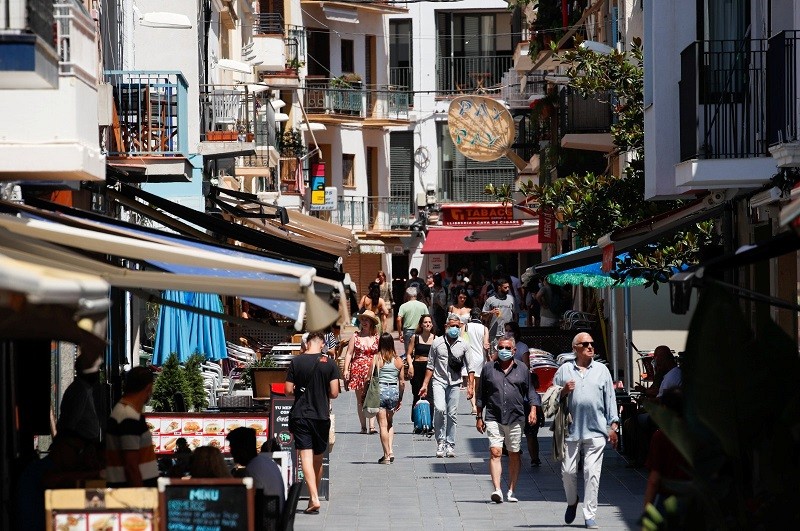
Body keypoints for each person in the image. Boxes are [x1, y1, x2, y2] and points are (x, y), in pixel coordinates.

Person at [554, 333, 619, 529]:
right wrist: (564, 391)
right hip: (571, 430)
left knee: (592, 473)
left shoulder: (602, 370)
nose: (590, 347)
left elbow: (610, 398)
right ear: (575, 348)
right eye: (585, 344)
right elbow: (550, 398)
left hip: (596, 430)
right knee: (568, 471)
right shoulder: (565, 370)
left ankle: (589, 514)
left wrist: (613, 425)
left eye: (592, 343)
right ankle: (572, 501)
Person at [476, 335, 539, 503]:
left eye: (507, 348)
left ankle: (511, 490)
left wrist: (533, 410)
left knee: (514, 453)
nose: (503, 351)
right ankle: (497, 489)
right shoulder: (488, 369)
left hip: (516, 416)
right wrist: (479, 416)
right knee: (495, 451)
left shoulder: (522, 369)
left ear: (514, 350)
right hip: (493, 416)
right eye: (501, 348)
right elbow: (481, 394)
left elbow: (531, 391)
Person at [286, 331, 340, 514]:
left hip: (301, 414)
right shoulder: (330, 363)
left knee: (306, 457)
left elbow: (287, 390)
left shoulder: (296, 362)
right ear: (322, 343)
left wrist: (299, 390)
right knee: (318, 458)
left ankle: (314, 497)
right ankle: (313, 497)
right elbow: (334, 393)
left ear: (306, 343)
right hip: (321, 415)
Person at [420, 313, 474, 458]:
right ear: (446, 326)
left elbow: (471, 367)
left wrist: (470, 386)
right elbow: (430, 365)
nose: (454, 328)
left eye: (457, 326)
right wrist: (425, 384)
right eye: (452, 326)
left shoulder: (464, 344)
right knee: (439, 409)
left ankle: (450, 444)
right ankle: (440, 441)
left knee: (452, 414)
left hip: (455, 383)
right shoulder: (437, 343)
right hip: (439, 380)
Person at [105, 366, 158, 487]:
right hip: (132, 492)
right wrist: (141, 495)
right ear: (149, 388)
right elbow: (131, 466)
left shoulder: (124, 411)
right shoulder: (128, 417)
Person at [227, 427, 286, 520]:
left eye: (232, 448)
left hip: (265, 522)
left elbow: (251, 505)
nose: (231, 452)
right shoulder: (266, 461)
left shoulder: (252, 469)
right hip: (274, 519)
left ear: (241, 449)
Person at [343, 310, 380, 434]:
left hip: (372, 370)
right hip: (358, 370)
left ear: (371, 322)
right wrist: (346, 369)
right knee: (360, 400)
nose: (364, 322)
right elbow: (349, 353)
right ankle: (363, 427)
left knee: (372, 397)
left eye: (367, 320)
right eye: (363, 319)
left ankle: (372, 426)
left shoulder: (377, 337)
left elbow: (380, 354)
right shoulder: (355, 336)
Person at [370, 333, 405, 463]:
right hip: (393, 392)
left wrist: (365, 394)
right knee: (390, 423)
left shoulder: (377, 358)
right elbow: (402, 382)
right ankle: (391, 450)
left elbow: (369, 378)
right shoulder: (398, 360)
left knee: (382, 425)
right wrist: (400, 398)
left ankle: (386, 456)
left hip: (380, 391)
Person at [407, 315, 436, 420]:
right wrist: (410, 366)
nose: (428, 324)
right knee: (417, 394)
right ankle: (417, 420)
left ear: (432, 324)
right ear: (421, 325)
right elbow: (409, 354)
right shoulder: (415, 337)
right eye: (425, 322)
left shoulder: (436, 338)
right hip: (417, 366)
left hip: (430, 368)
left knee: (429, 395)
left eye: (429, 322)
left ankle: (429, 421)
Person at [465, 307, 489, 416]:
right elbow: (486, 344)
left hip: (468, 356)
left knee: (470, 382)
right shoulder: (484, 328)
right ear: (480, 317)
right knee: (478, 383)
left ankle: (473, 406)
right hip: (480, 356)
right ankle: (477, 403)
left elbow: (462, 340)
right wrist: (488, 357)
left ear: (471, 316)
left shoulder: (466, 326)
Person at [396, 287, 429, 360]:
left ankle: (410, 365)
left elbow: (398, 319)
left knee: (408, 353)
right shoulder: (423, 305)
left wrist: (400, 333)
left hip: (408, 331)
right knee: (419, 352)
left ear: (407, 295)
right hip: (420, 330)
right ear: (416, 295)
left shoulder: (403, 306)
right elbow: (427, 317)